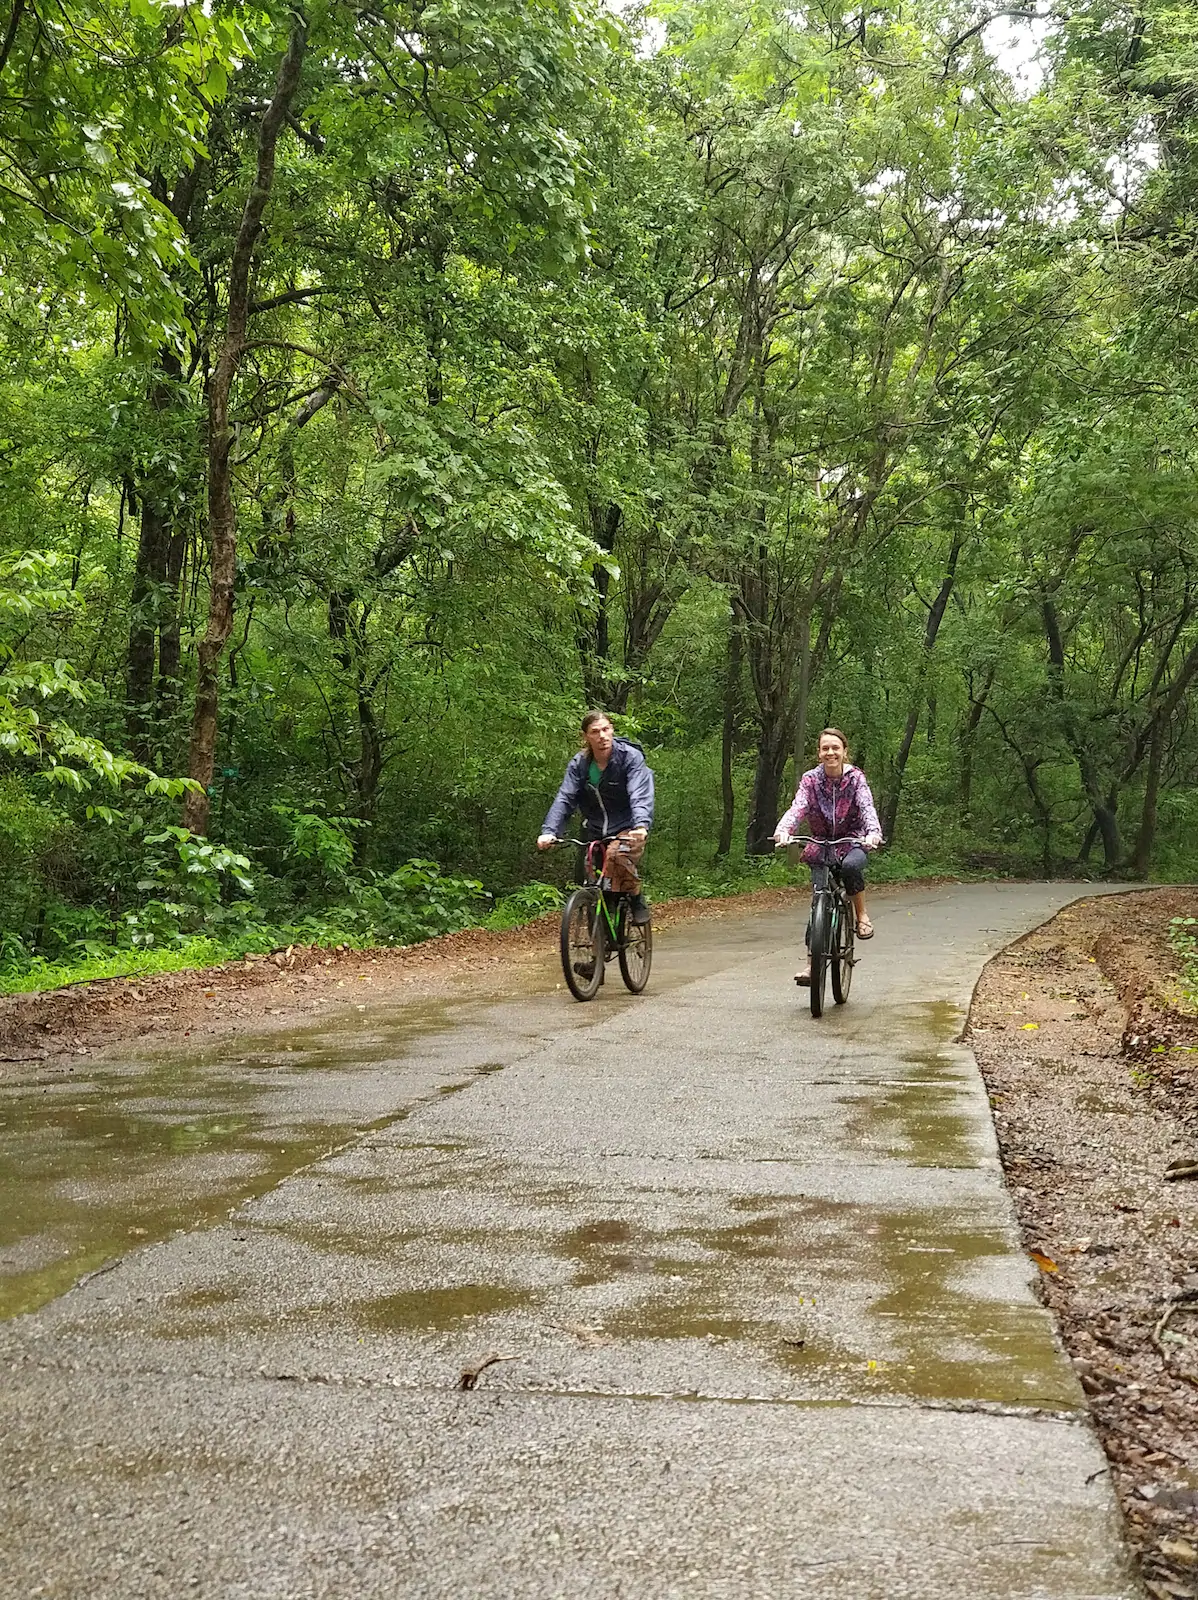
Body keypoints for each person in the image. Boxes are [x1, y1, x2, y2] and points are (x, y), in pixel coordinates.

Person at [773, 727, 883, 985]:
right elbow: (798, 807)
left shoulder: (855, 778)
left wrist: (873, 833)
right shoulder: (810, 780)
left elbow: (867, 807)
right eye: (825, 748)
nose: (830, 752)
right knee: (818, 904)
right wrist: (784, 830)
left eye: (835, 748)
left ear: (844, 751)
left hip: (852, 839)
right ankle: (812, 965)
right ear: (819, 753)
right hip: (820, 844)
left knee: (851, 867)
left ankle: (861, 915)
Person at [537, 712, 655, 924]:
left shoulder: (629, 758)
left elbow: (639, 793)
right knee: (592, 880)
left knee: (616, 855)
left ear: (612, 730)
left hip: (627, 827)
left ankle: (636, 897)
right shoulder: (580, 764)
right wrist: (550, 831)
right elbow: (565, 797)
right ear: (586, 737)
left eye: (606, 729)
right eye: (595, 732)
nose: (602, 736)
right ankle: (596, 945)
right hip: (594, 828)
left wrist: (641, 825)